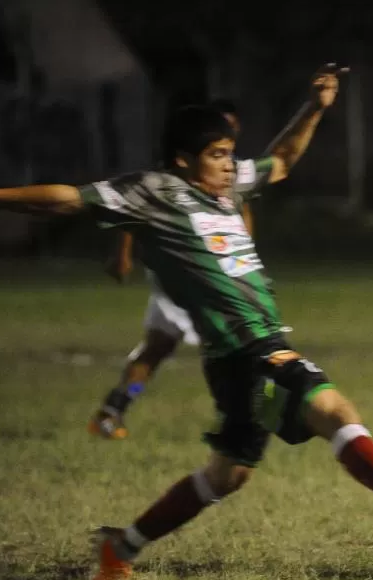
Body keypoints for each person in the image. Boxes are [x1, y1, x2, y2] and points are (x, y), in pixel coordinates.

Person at [0, 64, 373, 580]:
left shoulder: (226, 190)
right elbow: (69, 198)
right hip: (245, 349)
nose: (230, 166)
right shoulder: (156, 191)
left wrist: (313, 109)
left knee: (227, 475)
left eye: (230, 154)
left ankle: (123, 546)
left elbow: (280, 161)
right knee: (330, 407)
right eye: (217, 155)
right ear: (184, 161)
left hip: (237, 357)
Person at [90, 98, 284, 440]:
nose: (228, 139)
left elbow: (243, 214)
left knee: (162, 346)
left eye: (232, 131)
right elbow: (133, 211)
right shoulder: (179, 176)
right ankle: (250, 420)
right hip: (189, 269)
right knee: (249, 347)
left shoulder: (230, 172)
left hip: (225, 271)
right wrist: (122, 253)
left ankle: (115, 407)